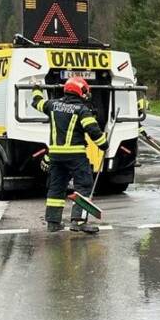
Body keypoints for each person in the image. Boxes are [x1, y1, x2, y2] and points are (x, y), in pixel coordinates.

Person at [32, 76, 108, 233]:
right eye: (85, 91)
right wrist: (103, 145)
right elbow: (93, 130)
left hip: (55, 156)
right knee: (84, 186)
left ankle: (53, 222)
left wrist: (36, 87)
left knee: (56, 188)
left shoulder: (52, 105)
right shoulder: (82, 110)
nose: (86, 94)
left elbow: (37, 102)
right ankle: (78, 221)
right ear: (80, 91)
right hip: (75, 155)